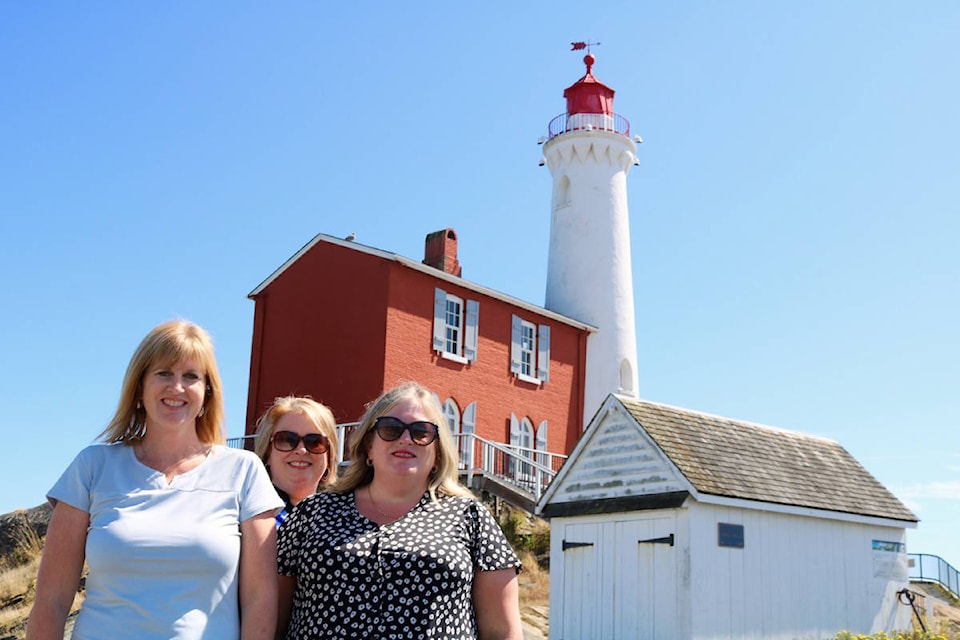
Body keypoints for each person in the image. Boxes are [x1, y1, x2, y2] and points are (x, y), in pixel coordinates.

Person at [26, 320, 283, 640]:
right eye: (163, 373)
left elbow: (260, 598)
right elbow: (51, 600)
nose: (176, 387)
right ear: (139, 388)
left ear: (207, 393)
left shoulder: (243, 471)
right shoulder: (92, 466)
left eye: (191, 376)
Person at [276, 381, 524, 640]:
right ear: (368, 446)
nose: (406, 439)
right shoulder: (312, 514)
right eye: (391, 429)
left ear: (437, 452)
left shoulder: (471, 517)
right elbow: (271, 619)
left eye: (421, 432)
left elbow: (501, 632)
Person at [253, 395, 339, 527]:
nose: (301, 450)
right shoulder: (245, 515)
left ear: (329, 456)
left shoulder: (340, 523)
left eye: (315, 442)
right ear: (267, 452)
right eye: (287, 440)